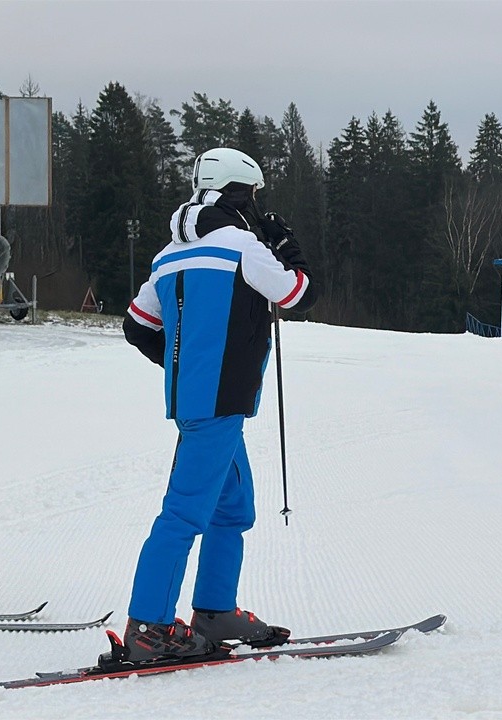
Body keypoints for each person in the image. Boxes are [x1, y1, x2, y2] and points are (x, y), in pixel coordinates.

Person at [117, 147, 319, 663]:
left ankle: (214, 612)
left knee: (232, 508)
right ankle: (148, 628)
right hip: (221, 402)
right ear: (241, 193)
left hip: (201, 401)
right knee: (184, 513)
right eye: (253, 196)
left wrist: (184, 368)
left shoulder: (169, 254)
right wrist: (286, 244)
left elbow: (137, 324)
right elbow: (298, 292)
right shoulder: (241, 246)